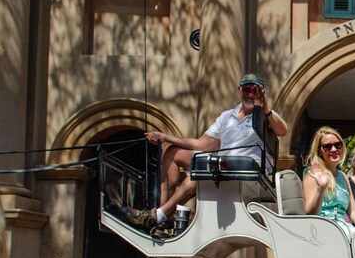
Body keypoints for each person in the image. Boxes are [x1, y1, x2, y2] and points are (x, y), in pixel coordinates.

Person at [122, 73, 288, 231]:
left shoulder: (266, 116)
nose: (250, 94)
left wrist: (265, 109)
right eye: (246, 89)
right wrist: (166, 137)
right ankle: (162, 213)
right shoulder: (226, 116)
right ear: (239, 90)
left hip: (247, 171)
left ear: (262, 93)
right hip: (223, 166)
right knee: (172, 151)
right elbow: (202, 143)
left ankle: (157, 216)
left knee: (202, 174)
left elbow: (282, 131)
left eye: (255, 90)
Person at [302, 126, 355, 230]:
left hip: (344, 227)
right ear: (320, 151)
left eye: (338, 145)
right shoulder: (313, 175)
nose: (334, 149)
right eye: (327, 147)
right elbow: (310, 213)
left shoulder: (343, 177)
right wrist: (321, 188)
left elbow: (353, 211)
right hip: (323, 228)